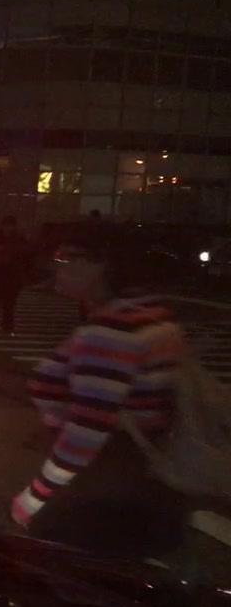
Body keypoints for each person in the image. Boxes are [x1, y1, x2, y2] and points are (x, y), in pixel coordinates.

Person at [11, 233, 190, 562]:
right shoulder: (151, 314)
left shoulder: (109, 331)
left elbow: (88, 429)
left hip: (103, 482)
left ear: (103, 267)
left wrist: (36, 497)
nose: (57, 267)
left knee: (65, 571)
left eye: (69, 259)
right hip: (145, 471)